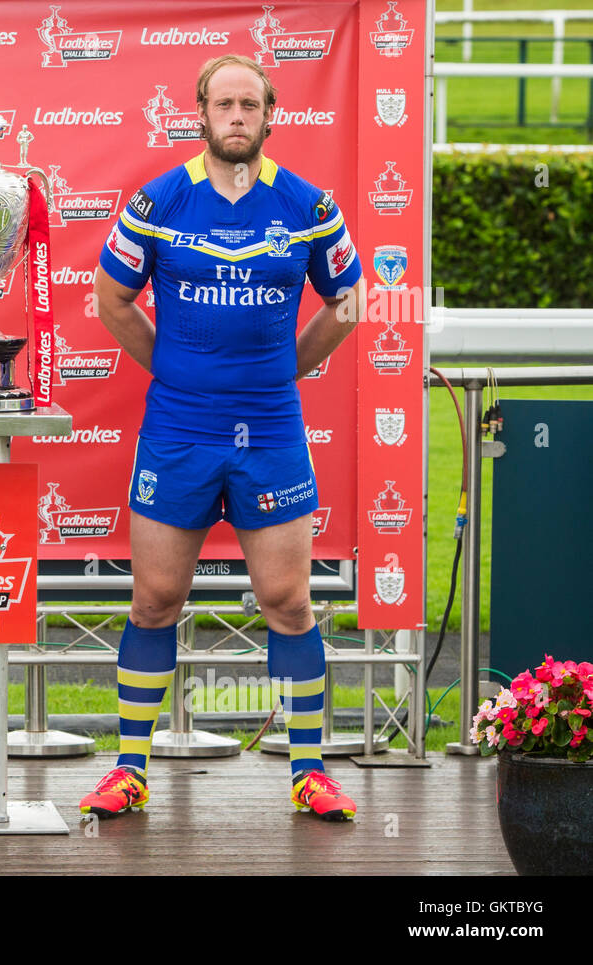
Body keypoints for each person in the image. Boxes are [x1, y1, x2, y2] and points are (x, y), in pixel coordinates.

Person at [81, 54, 366, 821]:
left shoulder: (309, 206)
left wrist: (284, 371)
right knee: (155, 599)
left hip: (271, 426)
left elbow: (348, 301)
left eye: (250, 104)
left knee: (288, 599)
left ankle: (309, 770)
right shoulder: (157, 201)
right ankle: (129, 768)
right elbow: (111, 298)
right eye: (223, 104)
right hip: (179, 427)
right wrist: (173, 370)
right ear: (199, 113)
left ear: (271, 115)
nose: (236, 117)